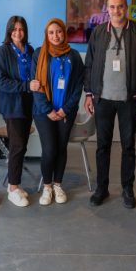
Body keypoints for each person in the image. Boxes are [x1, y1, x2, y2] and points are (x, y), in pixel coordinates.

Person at [84, 0, 136, 208]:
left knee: (128, 146)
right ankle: (101, 188)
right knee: (102, 146)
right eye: (112, 7)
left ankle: (127, 189)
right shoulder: (98, 32)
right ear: (107, 9)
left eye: (120, 6)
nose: (116, 11)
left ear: (127, 8)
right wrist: (88, 94)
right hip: (102, 99)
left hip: (129, 100)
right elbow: (89, 64)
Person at [30, 18, 84, 205]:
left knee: (61, 148)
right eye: (51, 32)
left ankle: (58, 185)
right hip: (43, 112)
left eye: (59, 31)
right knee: (50, 149)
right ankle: (47, 187)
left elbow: (78, 86)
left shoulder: (74, 56)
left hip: (65, 113)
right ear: (46, 35)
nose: (55, 36)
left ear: (64, 33)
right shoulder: (39, 54)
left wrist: (65, 110)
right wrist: (48, 110)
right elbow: (35, 85)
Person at [0, 16, 35, 207]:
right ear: (9, 31)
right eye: (14, 29)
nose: (18, 33)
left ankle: (16, 184)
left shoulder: (30, 50)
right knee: (17, 146)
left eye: (21, 29)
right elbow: (0, 81)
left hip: (28, 103)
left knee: (22, 145)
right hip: (12, 104)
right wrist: (26, 85)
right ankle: (12, 188)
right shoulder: (2, 52)